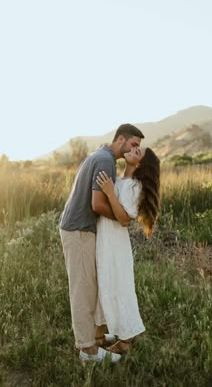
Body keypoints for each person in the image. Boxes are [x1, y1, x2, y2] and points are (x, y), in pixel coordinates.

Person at [59, 123, 145, 363]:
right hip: (79, 230)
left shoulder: (100, 154)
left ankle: (93, 338)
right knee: (83, 291)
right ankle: (88, 350)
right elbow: (97, 204)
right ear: (120, 140)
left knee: (90, 287)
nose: (136, 149)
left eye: (139, 146)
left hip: (79, 228)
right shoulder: (106, 160)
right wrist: (122, 217)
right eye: (133, 144)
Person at [94, 146, 160, 354]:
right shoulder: (121, 180)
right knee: (104, 284)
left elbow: (124, 220)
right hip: (105, 239)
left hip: (116, 243)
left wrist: (110, 192)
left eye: (137, 152)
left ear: (139, 164)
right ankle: (99, 333)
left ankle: (126, 340)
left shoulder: (134, 186)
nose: (132, 150)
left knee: (120, 288)